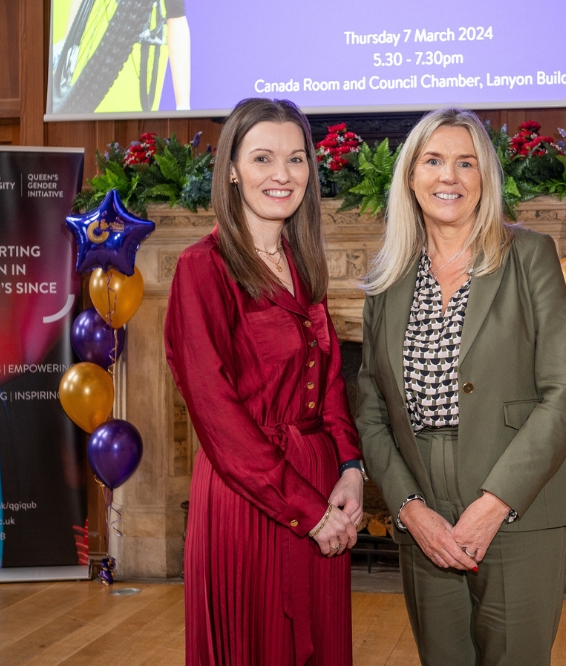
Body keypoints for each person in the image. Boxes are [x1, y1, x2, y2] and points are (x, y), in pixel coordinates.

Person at [356, 108, 566, 665]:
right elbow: (371, 410)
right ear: (411, 176)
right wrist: (409, 508)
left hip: (518, 504)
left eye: (466, 163)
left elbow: (564, 394)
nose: (449, 177)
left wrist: (494, 504)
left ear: (485, 176)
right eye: (433, 161)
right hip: (423, 514)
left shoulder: (529, 256)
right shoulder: (387, 278)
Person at [165, 98, 365, 666]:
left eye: (296, 159)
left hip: (321, 487)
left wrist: (351, 469)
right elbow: (217, 416)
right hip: (248, 498)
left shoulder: (303, 263)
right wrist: (308, 511)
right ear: (231, 169)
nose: (283, 174)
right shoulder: (202, 268)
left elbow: (329, 382)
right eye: (262, 158)